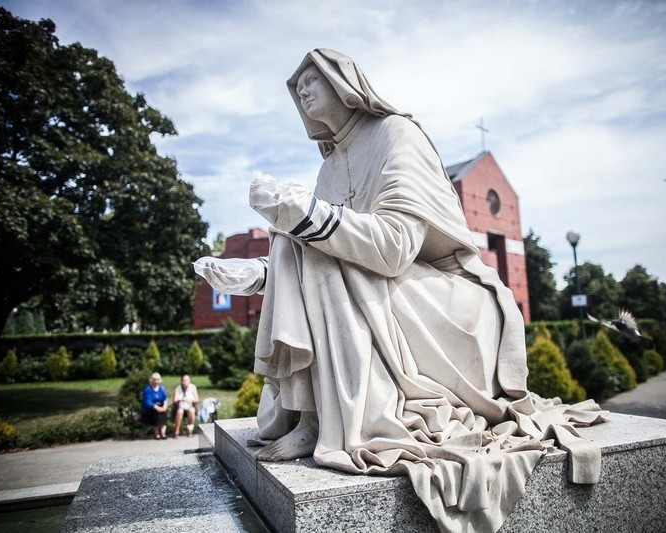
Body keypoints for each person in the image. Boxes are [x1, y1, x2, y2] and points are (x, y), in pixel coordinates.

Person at [195, 49, 606, 533]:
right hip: (395, 295)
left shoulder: (397, 135)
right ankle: (311, 419)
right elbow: (317, 256)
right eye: (296, 86)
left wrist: (301, 213)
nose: (302, 91)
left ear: (345, 82)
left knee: (304, 225)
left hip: (455, 303)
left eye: (312, 79)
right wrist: (256, 275)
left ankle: (329, 422)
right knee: (295, 230)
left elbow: (392, 251)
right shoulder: (328, 169)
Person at [141, 372, 169, 439]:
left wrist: (165, 406)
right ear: (152, 380)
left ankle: (163, 433)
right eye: (154, 379)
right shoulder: (148, 389)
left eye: (157, 380)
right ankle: (156, 433)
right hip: (150, 408)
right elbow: (148, 402)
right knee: (157, 413)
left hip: (160, 406)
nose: (156, 381)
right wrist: (157, 408)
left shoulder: (161, 388)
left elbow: (165, 398)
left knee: (163, 413)